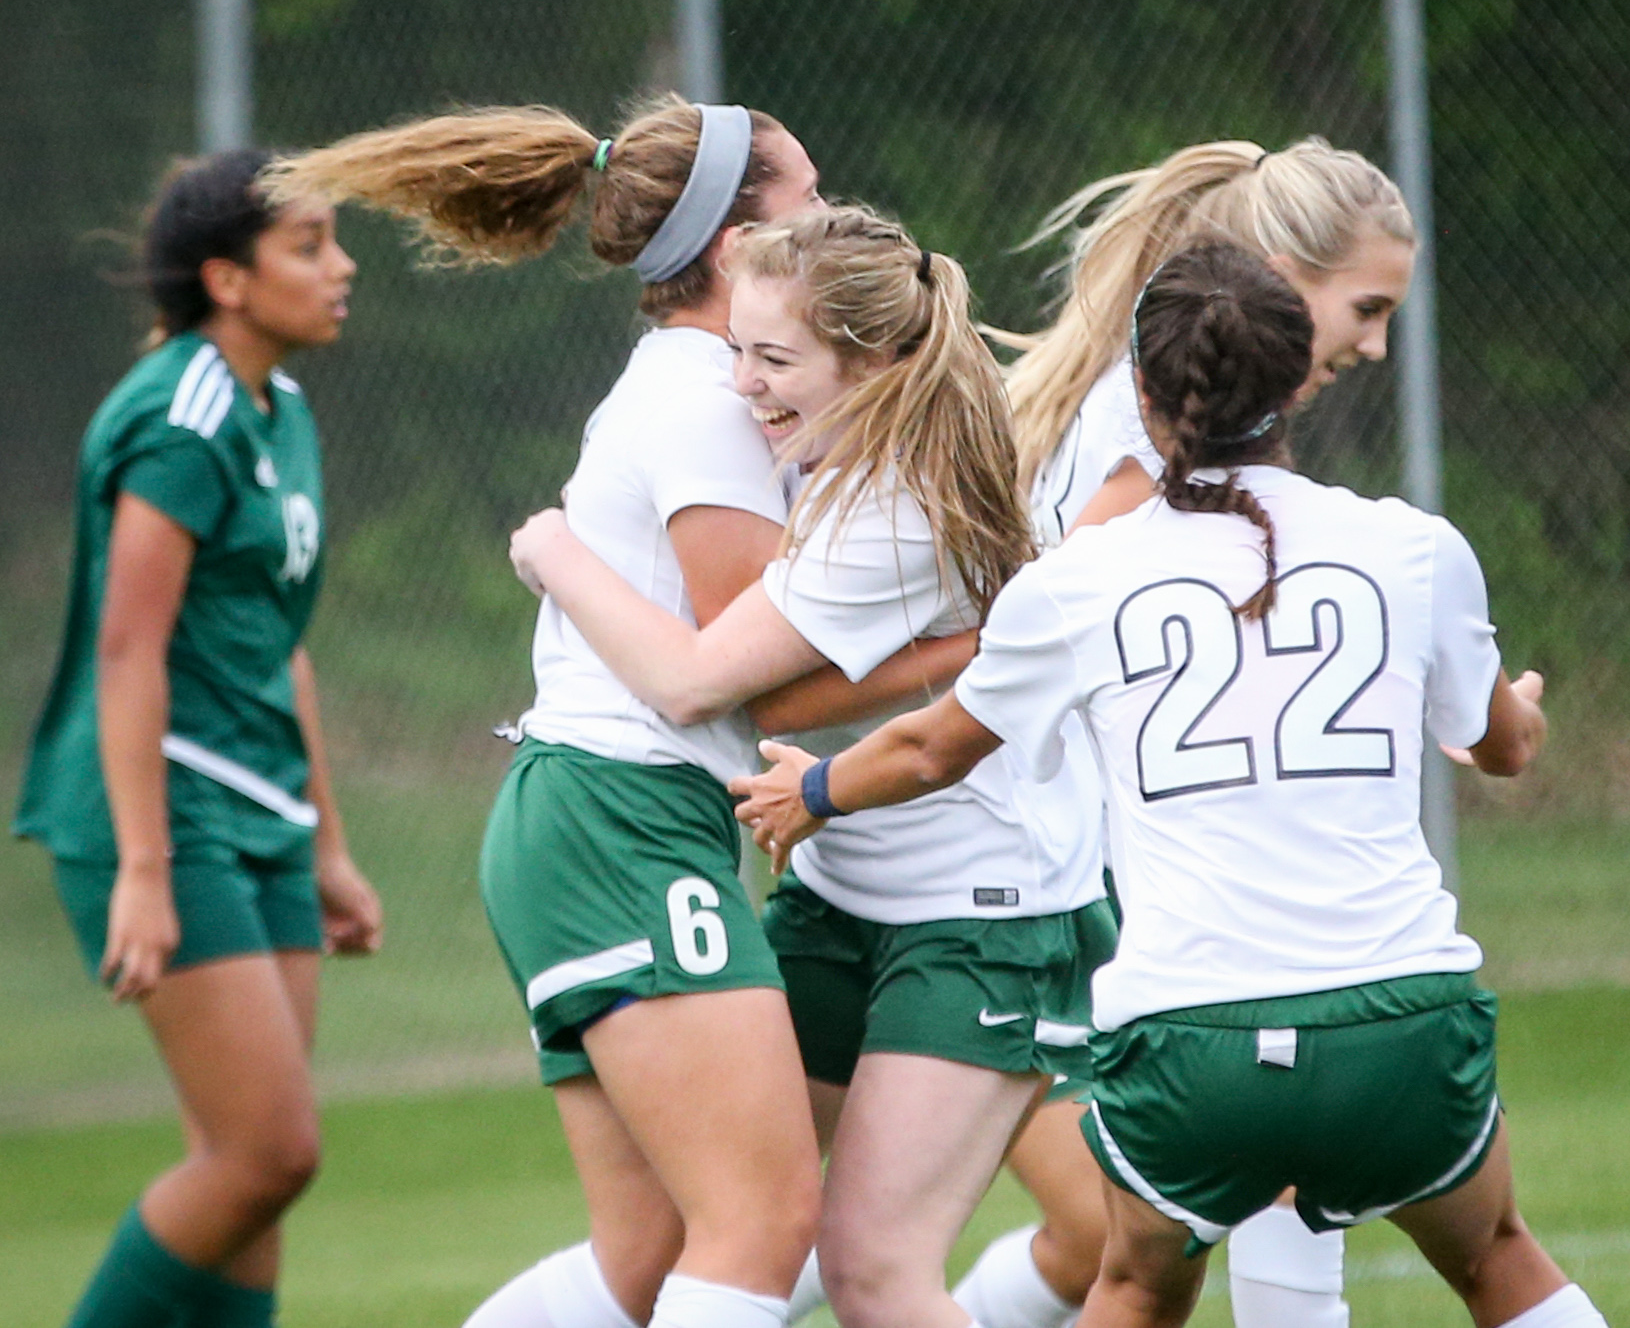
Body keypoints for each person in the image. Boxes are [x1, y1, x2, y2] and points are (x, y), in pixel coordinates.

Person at [732, 241, 1609, 1328]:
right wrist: (1515, 703)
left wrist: (814, 792)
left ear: (1138, 394)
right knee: (1497, 1259)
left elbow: (930, 749)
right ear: (1295, 382)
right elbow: (1502, 746)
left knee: (1135, 1286)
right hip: (1396, 1015)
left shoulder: (1077, 581)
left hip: (1191, 1037)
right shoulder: (1411, 548)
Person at [267, 102, 968, 1328]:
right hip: (620, 814)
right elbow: (738, 668)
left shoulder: (708, 383)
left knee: (646, 1256)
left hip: (596, 811)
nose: (825, 205)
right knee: (758, 1227)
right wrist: (976, 654)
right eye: (803, 191)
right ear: (737, 240)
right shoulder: (707, 398)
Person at [508, 203, 1111, 1328]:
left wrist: (556, 553)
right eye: (735, 348)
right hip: (842, 893)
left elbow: (707, 684)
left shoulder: (895, 506)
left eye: (774, 357)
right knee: (714, 1229)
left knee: (869, 1268)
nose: (742, 385)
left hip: (976, 921)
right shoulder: (841, 457)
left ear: (874, 358)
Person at [956, 136, 1420, 1328]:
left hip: (1061, 863)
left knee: (1087, 1237)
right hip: (1060, 871)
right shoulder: (1155, 431)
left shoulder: (1153, 395)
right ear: (1273, 277)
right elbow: (1070, 610)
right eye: (1361, 308)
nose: (1371, 344)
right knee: (819, 1225)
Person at [12, 148, 383, 1328]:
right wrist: (143, 868)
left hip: (262, 808)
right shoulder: (185, 414)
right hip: (166, 809)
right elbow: (128, 649)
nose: (343, 265)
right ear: (227, 278)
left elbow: (280, 643)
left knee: (248, 1181)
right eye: (311, 244)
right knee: (268, 1153)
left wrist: (325, 844)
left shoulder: (285, 404)